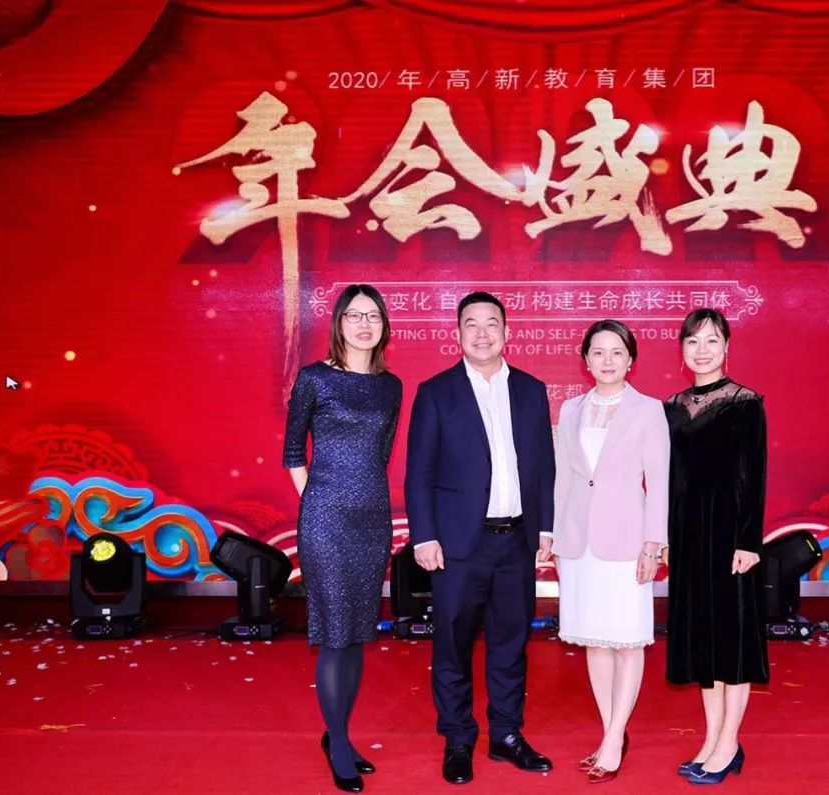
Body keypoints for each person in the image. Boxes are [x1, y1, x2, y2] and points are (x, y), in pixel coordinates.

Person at [404, 291, 556, 786]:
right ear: (457, 333)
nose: (482, 333)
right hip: (456, 545)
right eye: (472, 324)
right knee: (452, 644)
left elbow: (544, 467)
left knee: (511, 644)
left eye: (492, 323)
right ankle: (458, 738)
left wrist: (546, 526)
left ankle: (506, 734)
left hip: (516, 541)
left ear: (507, 332)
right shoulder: (436, 392)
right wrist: (424, 536)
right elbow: (419, 472)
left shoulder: (531, 390)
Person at [283, 284, 402, 794]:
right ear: (338, 323)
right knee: (334, 633)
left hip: (372, 520)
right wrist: (318, 502)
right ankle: (338, 745)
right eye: (354, 315)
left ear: (384, 325)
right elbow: (293, 452)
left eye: (372, 316)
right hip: (325, 521)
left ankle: (339, 734)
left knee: (356, 633)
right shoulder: (314, 378)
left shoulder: (391, 386)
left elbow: (382, 454)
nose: (363, 324)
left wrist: (361, 501)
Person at [553, 319, 669, 784]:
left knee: (627, 640)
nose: (607, 360)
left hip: (627, 541)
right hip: (578, 541)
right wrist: (555, 538)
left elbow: (659, 482)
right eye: (598, 352)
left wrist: (653, 545)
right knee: (596, 640)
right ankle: (611, 732)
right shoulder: (571, 409)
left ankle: (614, 738)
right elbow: (564, 477)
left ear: (630, 359)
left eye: (617, 352)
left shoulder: (649, 410)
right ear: (585, 359)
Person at [663, 308, 768, 786]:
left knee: (732, 639)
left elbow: (754, 475)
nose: (701, 350)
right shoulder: (671, 406)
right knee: (704, 640)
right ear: (682, 350)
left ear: (727, 346)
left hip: (729, 539)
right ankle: (711, 739)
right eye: (692, 341)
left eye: (711, 340)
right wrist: (665, 538)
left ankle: (729, 742)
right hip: (687, 538)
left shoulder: (745, 404)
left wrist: (748, 540)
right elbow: (666, 480)